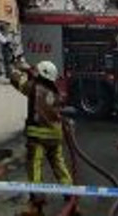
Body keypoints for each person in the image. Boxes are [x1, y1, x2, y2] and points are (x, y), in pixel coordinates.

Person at [10, 58, 72, 215]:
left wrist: (17, 68)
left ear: (41, 75)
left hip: (38, 137)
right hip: (55, 136)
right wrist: (30, 71)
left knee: (35, 165)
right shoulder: (55, 92)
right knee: (58, 163)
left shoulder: (34, 87)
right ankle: (69, 192)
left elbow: (16, 81)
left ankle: (37, 197)